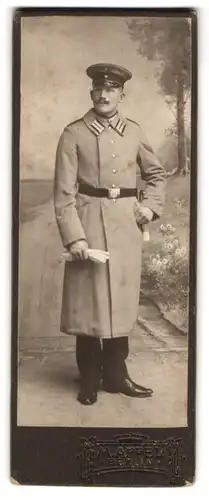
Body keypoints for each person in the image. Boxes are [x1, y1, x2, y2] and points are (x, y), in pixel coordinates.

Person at [54, 63, 166, 405]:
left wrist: (148, 207)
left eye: (112, 89)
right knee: (89, 305)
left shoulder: (133, 131)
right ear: (91, 93)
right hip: (87, 223)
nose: (104, 95)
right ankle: (89, 379)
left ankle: (117, 376)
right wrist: (76, 238)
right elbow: (63, 194)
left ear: (121, 94)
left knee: (120, 303)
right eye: (99, 89)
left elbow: (157, 175)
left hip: (125, 227)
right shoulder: (73, 133)